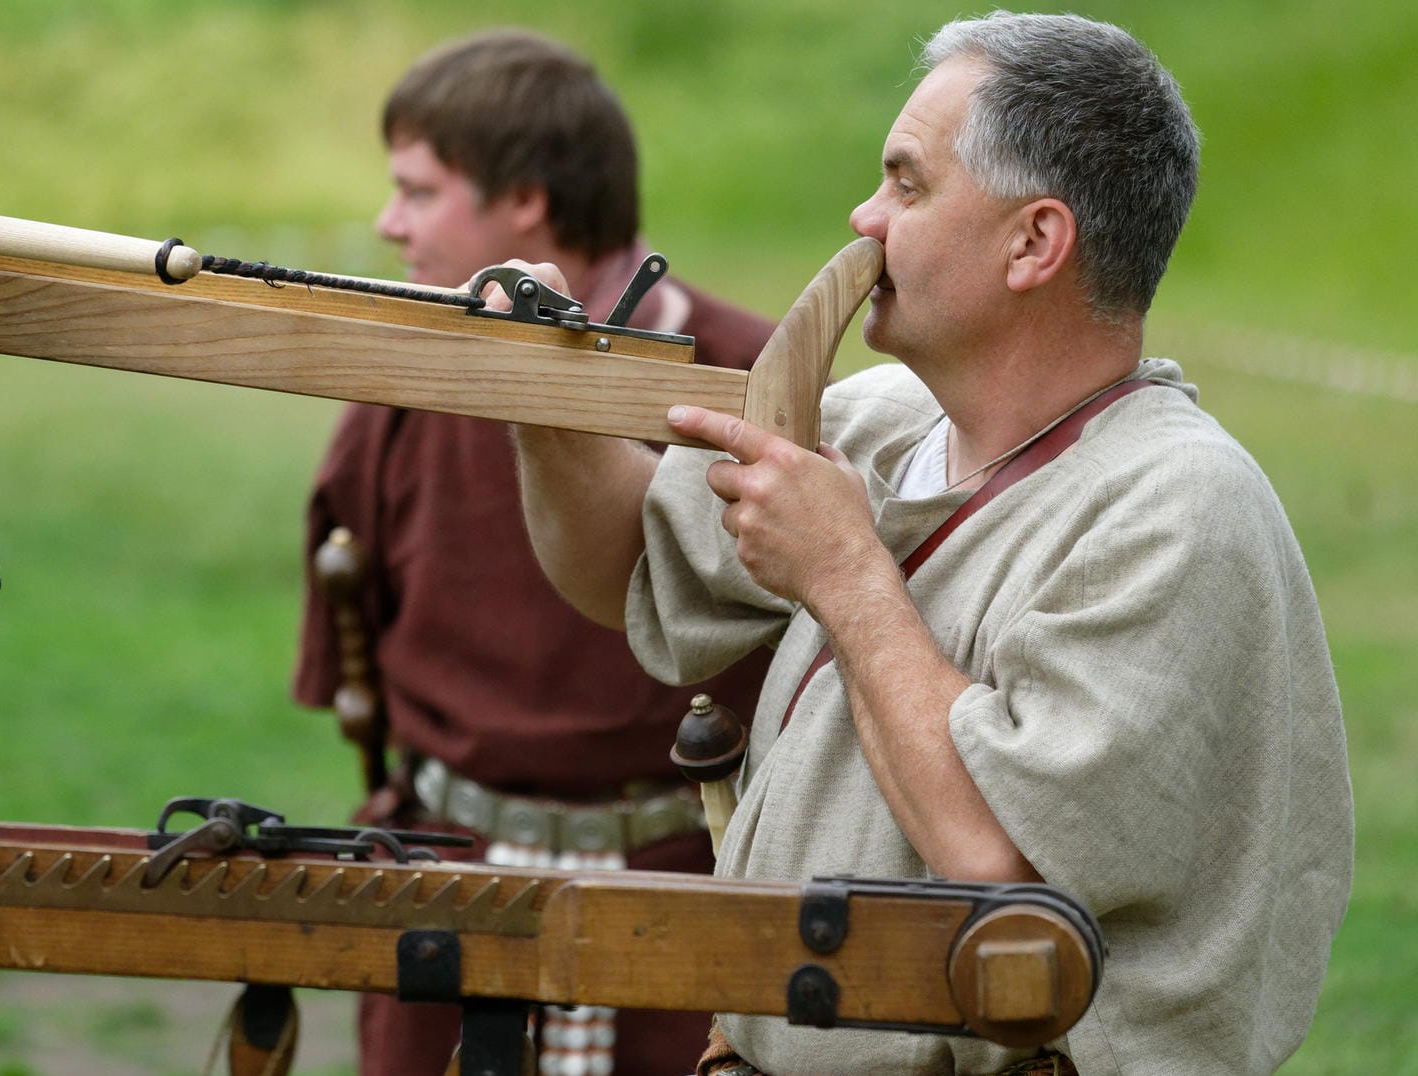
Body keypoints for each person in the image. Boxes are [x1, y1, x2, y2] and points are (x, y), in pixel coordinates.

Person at [508, 13, 1352, 1075]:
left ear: (1035, 243)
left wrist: (845, 572)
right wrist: (533, 393)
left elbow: (1002, 866)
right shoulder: (884, 416)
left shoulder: (1177, 507)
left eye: (908, 186)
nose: (864, 217)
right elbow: (628, 568)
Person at [291, 29, 779, 1076]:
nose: (389, 223)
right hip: (444, 908)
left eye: (418, 192)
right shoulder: (401, 396)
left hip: (695, 925)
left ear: (525, 203)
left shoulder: (758, 387)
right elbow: (356, 653)